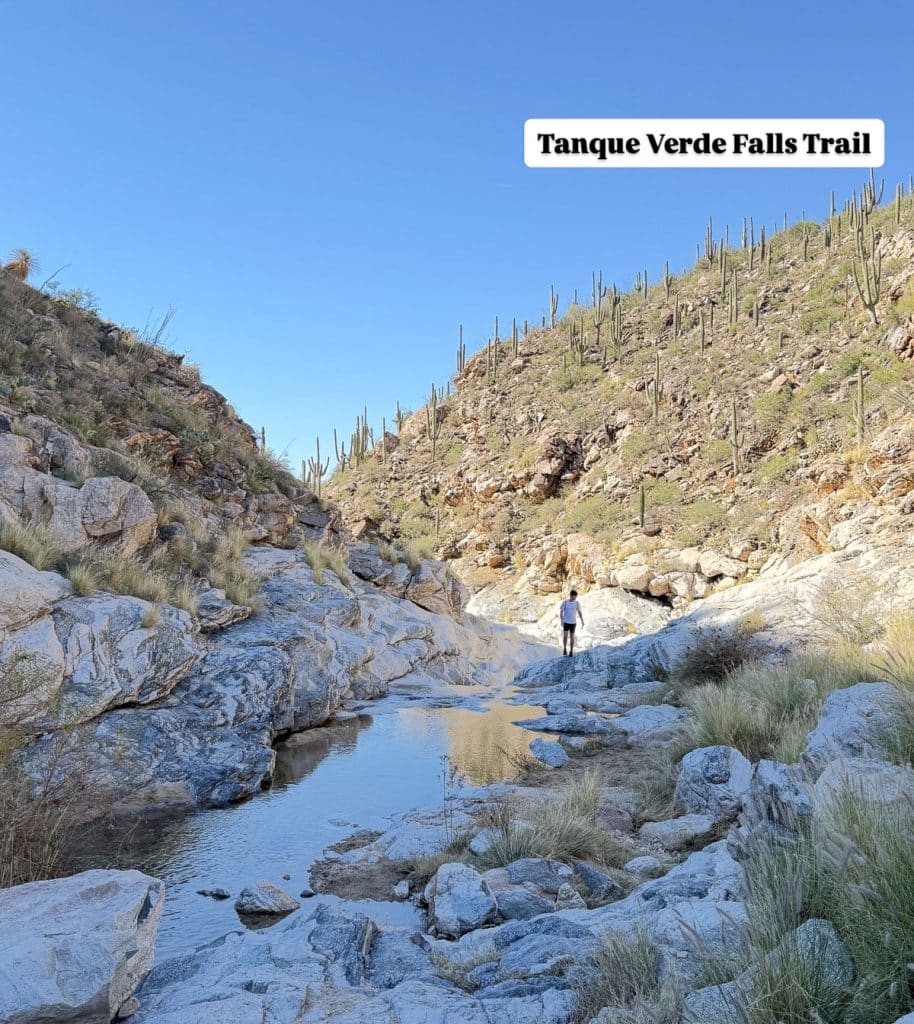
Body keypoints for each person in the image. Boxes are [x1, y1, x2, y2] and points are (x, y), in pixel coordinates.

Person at [559, 589, 584, 656]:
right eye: (574, 596)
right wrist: (561, 621)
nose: (575, 598)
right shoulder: (565, 602)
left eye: (576, 597)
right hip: (566, 622)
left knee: (572, 637)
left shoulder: (577, 603)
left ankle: (571, 651)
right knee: (565, 636)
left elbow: (579, 612)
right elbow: (561, 612)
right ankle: (564, 649)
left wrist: (582, 620)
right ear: (571, 595)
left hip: (573, 623)